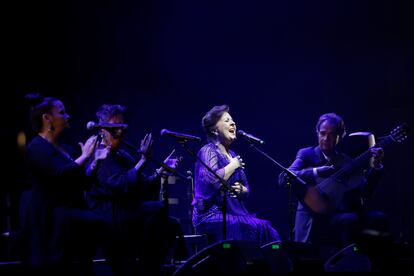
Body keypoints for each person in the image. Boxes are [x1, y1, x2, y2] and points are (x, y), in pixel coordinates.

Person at [85, 104, 184, 276]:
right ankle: (146, 266)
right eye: (114, 127)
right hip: (111, 217)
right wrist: (142, 161)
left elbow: (143, 185)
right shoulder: (100, 156)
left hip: (128, 213)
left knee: (171, 224)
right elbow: (118, 186)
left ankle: (157, 267)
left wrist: (161, 171)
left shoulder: (123, 155)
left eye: (122, 127)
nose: (119, 132)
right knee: (157, 211)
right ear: (103, 130)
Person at [279, 112, 387, 255]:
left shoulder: (346, 161)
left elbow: (365, 191)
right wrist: (317, 171)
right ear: (317, 132)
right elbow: (285, 177)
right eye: (322, 133)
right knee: (350, 220)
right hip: (313, 214)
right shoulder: (306, 154)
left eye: (332, 135)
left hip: (336, 213)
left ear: (340, 136)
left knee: (378, 219)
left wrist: (377, 166)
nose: (326, 138)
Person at [18, 93, 103, 274]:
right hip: (49, 220)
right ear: (47, 118)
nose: (67, 116)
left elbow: (80, 183)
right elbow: (60, 175)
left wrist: (95, 161)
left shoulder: (67, 149)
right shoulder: (36, 147)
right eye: (62, 112)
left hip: (67, 217)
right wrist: (85, 156)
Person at [192, 104, 281, 245]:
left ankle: (267, 265)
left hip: (233, 213)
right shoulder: (208, 151)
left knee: (268, 230)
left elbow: (246, 188)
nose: (233, 123)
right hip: (211, 214)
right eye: (227, 120)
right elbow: (212, 181)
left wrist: (242, 190)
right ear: (214, 129)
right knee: (249, 226)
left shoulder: (232, 155)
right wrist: (233, 165)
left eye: (232, 120)